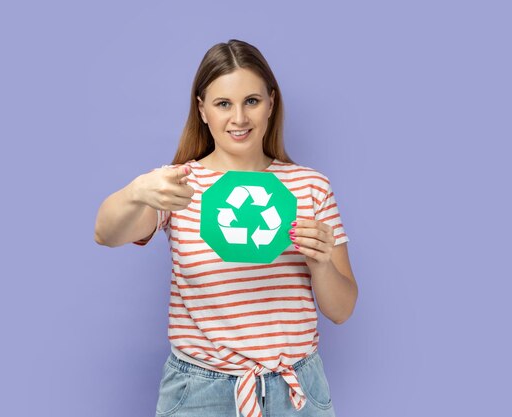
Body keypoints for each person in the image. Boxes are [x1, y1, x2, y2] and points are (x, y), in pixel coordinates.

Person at [94, 39, 358, 417]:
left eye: (251, 101)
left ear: (271, 102)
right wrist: (137, 192)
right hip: (201, 392)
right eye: (223, 104)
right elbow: (106, 233)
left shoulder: (310, 186)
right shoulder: (179, 185)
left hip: (297, 391)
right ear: (202, 110)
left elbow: (342, 309)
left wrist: (320, 264)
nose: (239, 119)